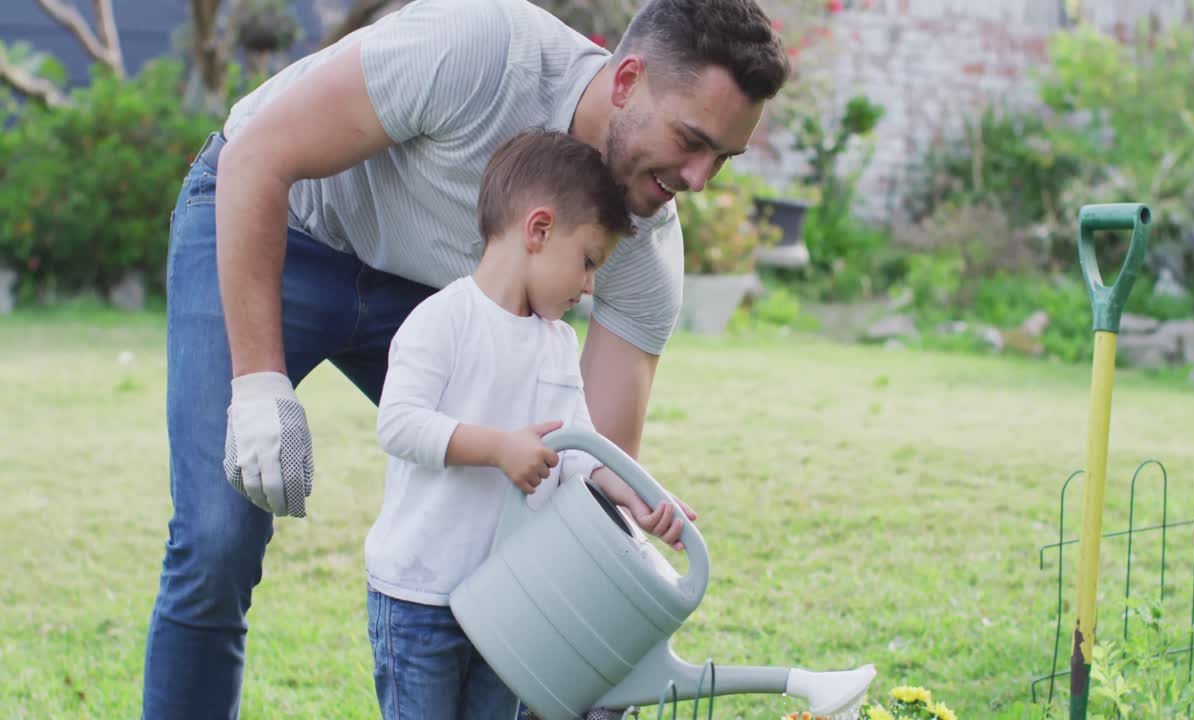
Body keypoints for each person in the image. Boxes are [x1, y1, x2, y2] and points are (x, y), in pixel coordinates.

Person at [143, 0, 789, 717]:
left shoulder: (641, 254)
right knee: (217, 536)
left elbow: (577, 487)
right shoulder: (481, 51)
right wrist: (260, 385)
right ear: (628, 79)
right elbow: (258, 156)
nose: (700, 180)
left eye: (722, 159)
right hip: (280, 215)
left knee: (520, 504)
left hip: (429, 295)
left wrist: (597, 652)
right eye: (691, 140)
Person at [367, 127, 639, 720]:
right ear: (538, 231)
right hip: (421, 598)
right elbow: (399, 423)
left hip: (507, 599)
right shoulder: (443, 320)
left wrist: (633, 495)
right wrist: (497, 449)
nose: (589, 287)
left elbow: (578, 449)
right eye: (588, 262)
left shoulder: (558, 343)